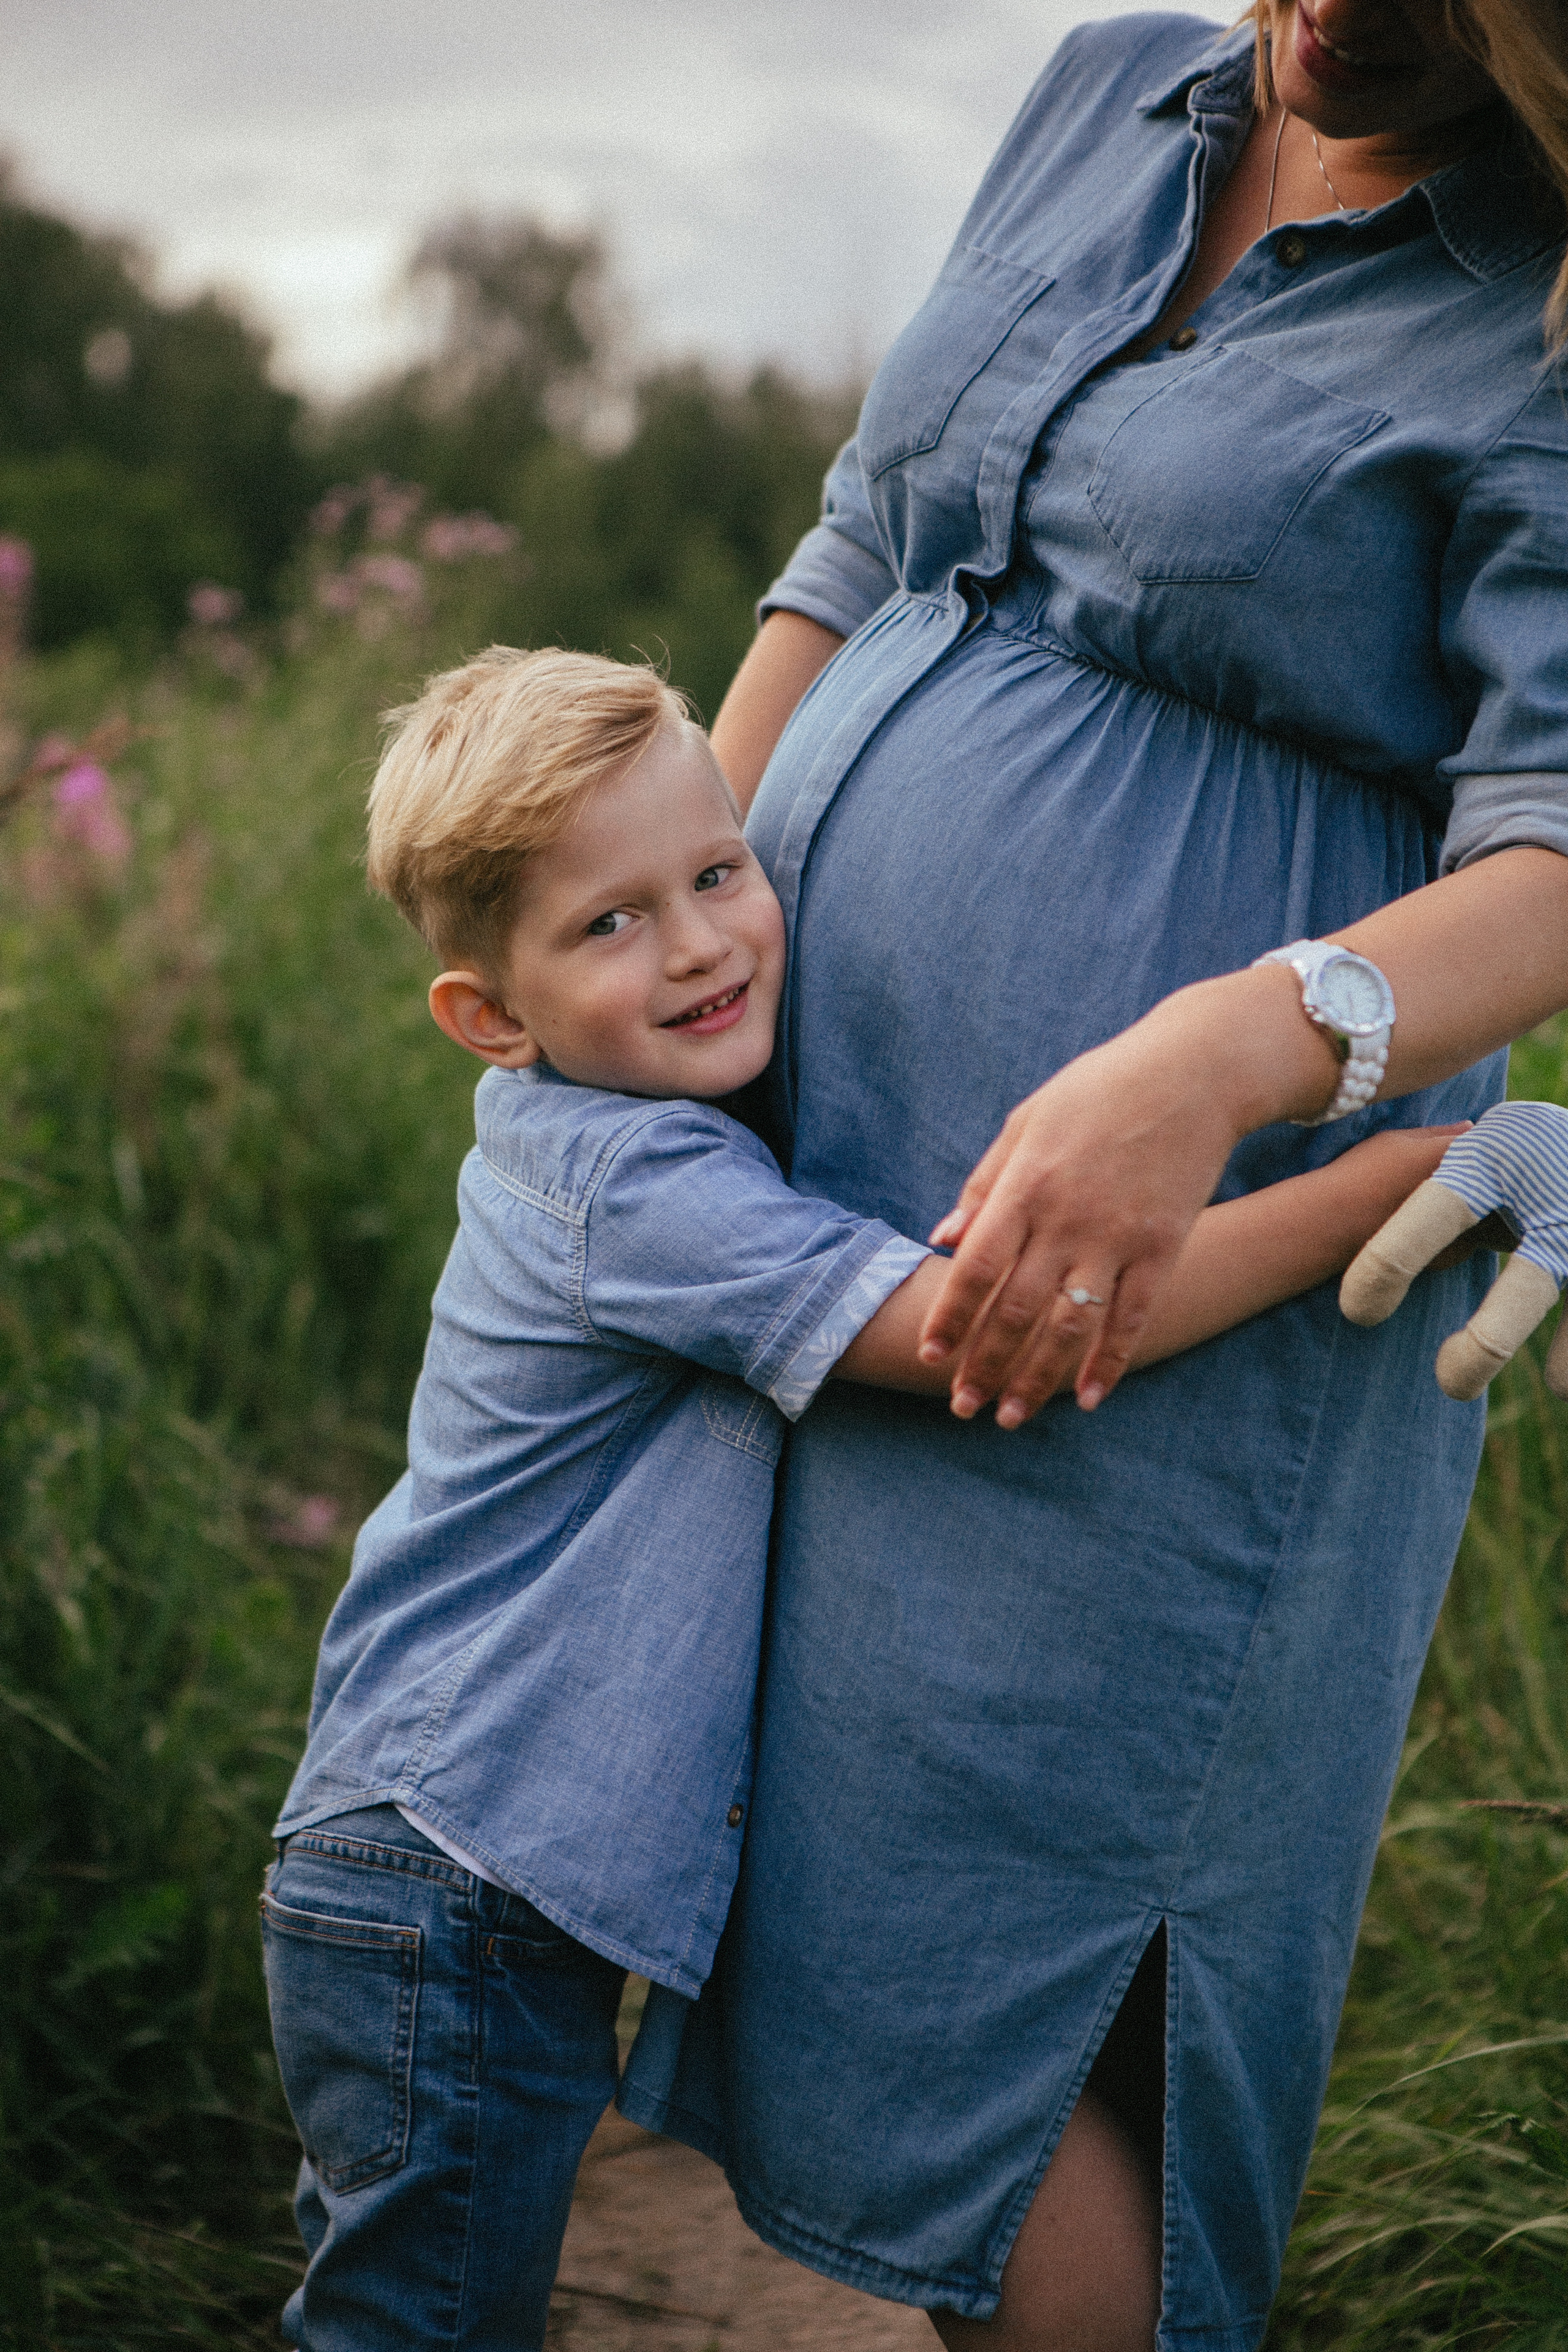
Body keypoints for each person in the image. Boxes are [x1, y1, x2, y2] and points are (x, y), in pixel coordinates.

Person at [619, 4, 1568, 2348]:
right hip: (835, 1161)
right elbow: (865, 532)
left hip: (1207, 1251)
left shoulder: (1546, 290)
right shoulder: (1118, 83)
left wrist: (1217, 1054)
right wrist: (668, 953)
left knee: (1068, 1967)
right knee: (873, 1884)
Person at [264, 645, 1460, 2350]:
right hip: (441, 1872)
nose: (696, 946)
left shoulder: (663, 1127)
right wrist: (1386, 1184)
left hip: (462, 1858)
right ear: (491, 1016)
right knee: (417, 2322)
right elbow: (1016, 1331)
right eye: (610, 924)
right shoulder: (629, 1182)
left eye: (718, 872)